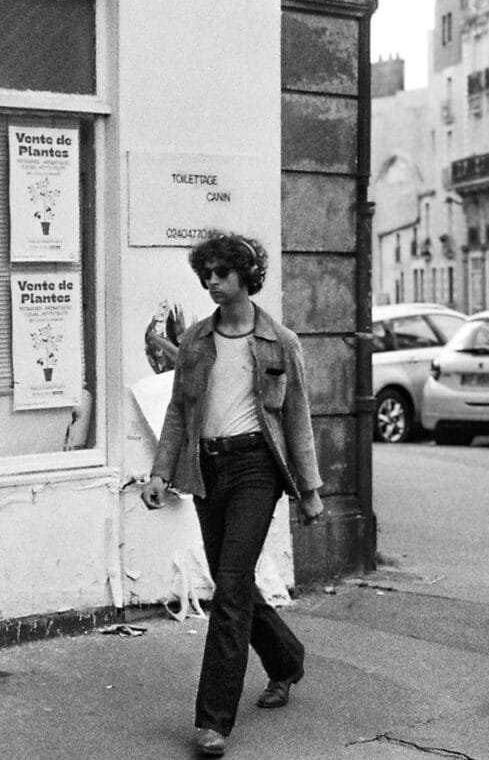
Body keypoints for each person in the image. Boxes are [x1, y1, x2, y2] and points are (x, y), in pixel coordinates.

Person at [139, 234, 324, 758]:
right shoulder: (198, 340)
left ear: (247, 276)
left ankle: (212, 720)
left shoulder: (280, 341)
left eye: (222, 273)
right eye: (208, 275)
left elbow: (298, 419)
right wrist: (159, 473)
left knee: (229, 588)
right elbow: (178, 412)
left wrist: (309, 490)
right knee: (232, 581)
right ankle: (286, 660)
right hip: (208, 469)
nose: (213, 283)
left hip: (256, 469)